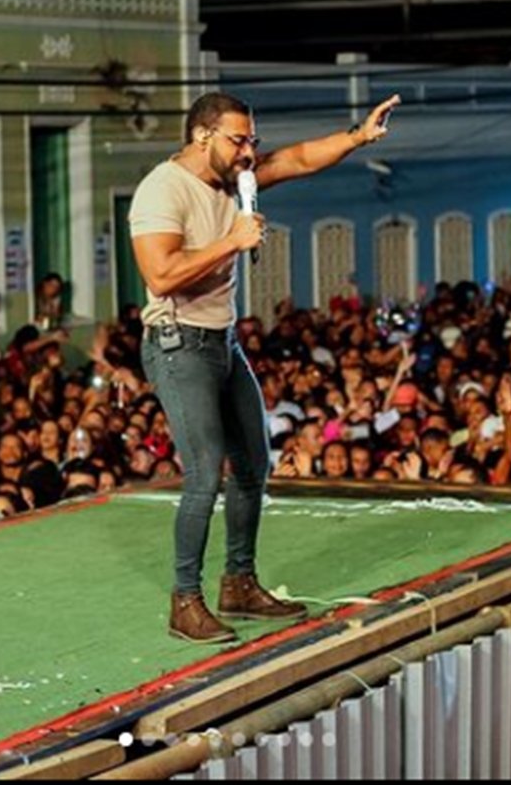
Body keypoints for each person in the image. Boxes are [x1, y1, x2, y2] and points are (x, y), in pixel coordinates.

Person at [129, 89, 400, 644]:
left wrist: (357, 136)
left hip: (221, 340)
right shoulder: (162, 189)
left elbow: (297, 159)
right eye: (239, 140)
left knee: (254, 463)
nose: (250, 151)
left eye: (253, 139)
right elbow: (160, 275)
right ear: (202, 136)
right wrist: (231, 241)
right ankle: (185, 601)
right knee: (206, 474)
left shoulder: (234, 179)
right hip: (177, 342)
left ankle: (240, 582)